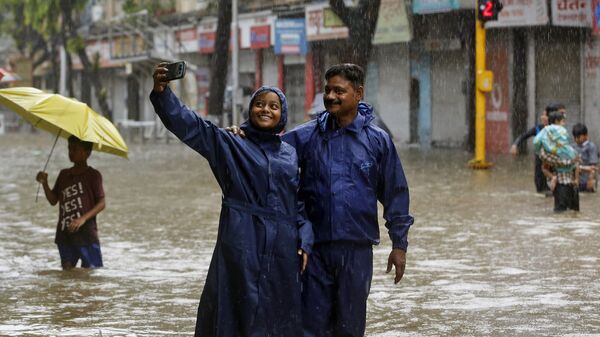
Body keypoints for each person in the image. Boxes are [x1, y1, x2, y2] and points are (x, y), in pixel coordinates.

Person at [149, 64, 313, 337]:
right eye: (259, 104)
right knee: (235, 308)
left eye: (273, 106)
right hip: (241, 238)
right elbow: (192, 126)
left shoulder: (290, 154)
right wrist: (162, 92)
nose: (265, 110)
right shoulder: (231, 143)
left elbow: (297, 204)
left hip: (283, 245)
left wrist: (305, 239)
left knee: (279, 314)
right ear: (250, 110)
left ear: (282, 114)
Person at [284, 64, 413, 337]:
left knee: (350, 328)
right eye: (327, 90)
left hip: (357, 251)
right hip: (313, 250)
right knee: (310, 328)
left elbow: (395, 194)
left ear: (358, 93)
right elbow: (266, 152)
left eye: (339, 91)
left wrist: (399, 245)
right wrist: (242, 133)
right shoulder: (306, 137)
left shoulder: (378, 141)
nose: (330, 96)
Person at [35, 136, 106, 270]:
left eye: (75, 149)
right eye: (69, 148)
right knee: (67, 275)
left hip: (86, 235)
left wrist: (82, 219)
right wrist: (44, 184)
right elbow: (53, 200)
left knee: (91, 273)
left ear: (87, 153)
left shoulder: (94, 175)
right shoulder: (64, 174)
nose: (70, 152)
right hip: (64, 233)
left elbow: (102, 203)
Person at [510, 103, 565, 194]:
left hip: (553, 169)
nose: (541, 117)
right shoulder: (538, 129)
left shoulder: (559, 132)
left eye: (544, 115)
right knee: (542, 193)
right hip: (540, 169)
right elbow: (524, 136)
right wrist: (515, 145)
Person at [535, 111, 579, 212]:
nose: (564, 124)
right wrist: (571, 161)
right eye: (563, 121)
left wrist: (577, 178)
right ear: (556, 122)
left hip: (571, 183)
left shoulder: (562, 141)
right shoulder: (549, 144)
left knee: (573, 213)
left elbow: (573, 161)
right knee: (561, 213)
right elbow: (547, 164)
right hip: (561, 184)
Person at [572, 123, 598, 192]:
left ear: (585, 135)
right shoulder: (573, 146)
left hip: (586, 182)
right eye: (575, 137)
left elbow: (594, 166)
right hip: (576, 180)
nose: (576, 139)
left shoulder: (591, 147)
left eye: (578, 137)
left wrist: (590, 179)